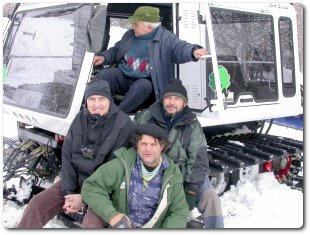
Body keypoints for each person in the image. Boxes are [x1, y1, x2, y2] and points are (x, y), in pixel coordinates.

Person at [17, 79, 135, 228]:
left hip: (103, 189)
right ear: (86, 101)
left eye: (101, 99)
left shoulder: (124, 125)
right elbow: (67, 155)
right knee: (37, 204)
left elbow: (112, 171)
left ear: (110, 100)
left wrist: (84, 197)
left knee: (92, 224)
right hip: (77, 182)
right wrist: (68, 191)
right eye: (92, 99)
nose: (96, 104)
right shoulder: (80, 118)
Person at [134, 79, 224, 228]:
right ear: (163, 100)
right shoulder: (147, 117)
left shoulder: (192, 124)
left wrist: (192, 189)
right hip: (153, 172)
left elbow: (198, 158)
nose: (172, 102)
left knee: (211, 197)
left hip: (183, 173)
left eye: (177, 99)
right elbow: (133, 144)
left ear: (184, 103)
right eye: (168, 98)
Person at [93, 6, 207, 113]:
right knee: (106, 74)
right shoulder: (129, 35)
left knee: (143, 85)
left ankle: (115, 115)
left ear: (149, 27)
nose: (132, 27)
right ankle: (96, 109)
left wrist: (193, 50)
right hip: (124, 77)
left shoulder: (166, 39)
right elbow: (116, 50)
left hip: (145, 83)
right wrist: (103, 57)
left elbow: (180, 48)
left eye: (136, 24)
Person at [81, 123, 189, 228]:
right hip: (121, 227)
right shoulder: (122, 164)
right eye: (143, 144)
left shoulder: (172, 173)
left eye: (153, 144)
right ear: (137, 145)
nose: (148, 149)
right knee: (93, 216)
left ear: (162, 147)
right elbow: (91, 187)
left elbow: (178, 211)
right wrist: (112, 215)